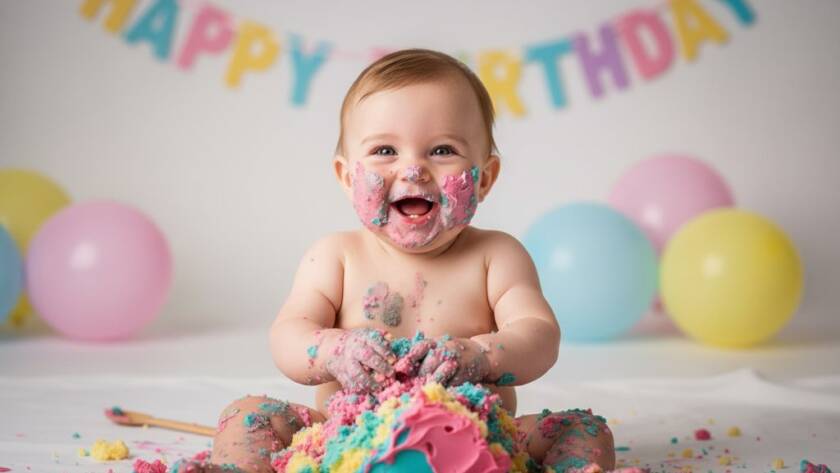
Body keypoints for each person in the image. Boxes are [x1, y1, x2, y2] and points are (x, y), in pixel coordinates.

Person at [178, 49, 616, 473]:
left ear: (486, 177)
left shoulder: (496, 256)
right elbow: (288, 337)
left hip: (479, 437)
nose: (413, 170)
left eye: (442, 150)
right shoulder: (335, 256)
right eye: (385, 151)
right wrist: (334, 351)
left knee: (581, 427)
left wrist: (479, 356)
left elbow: (539, 337)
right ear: (347, 178)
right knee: (249, 413)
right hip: (347, 438)